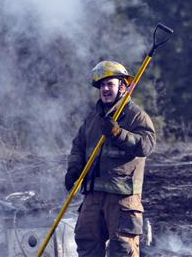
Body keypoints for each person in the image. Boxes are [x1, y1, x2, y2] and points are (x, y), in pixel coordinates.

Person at [65, 61, 156, 257]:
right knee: (86, 242)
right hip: (93, 196)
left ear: (122, 87)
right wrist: (74, 168)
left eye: (110, 84)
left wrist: (118, 134)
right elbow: (78, 146)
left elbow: (147, 145)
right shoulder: (92, 119)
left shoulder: (136, 116)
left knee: (122, 249)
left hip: (123, 199)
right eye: (102, 85)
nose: (105, 89)